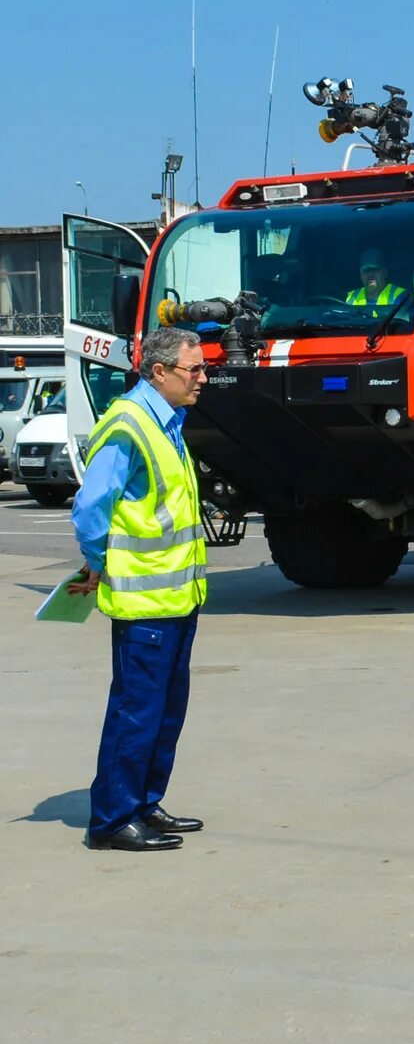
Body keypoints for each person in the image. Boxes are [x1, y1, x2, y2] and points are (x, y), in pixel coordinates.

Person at [70, 326, 211, 853]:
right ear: (158, 372)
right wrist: (98, 563)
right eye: (192, 369)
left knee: (165, 710)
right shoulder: (130, 425)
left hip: (176, 599)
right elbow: (90, 511)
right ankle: (112, 819)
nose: (202, 377)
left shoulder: (168, 422)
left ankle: (145, 803)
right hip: (144, 603)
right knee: (137, 710)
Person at [346, 249, 409, 317]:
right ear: (361, 275)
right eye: (366, 271)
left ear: (385, 273)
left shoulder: (399, 296)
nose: (370, 274)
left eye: (374, 269)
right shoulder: (351, 298)